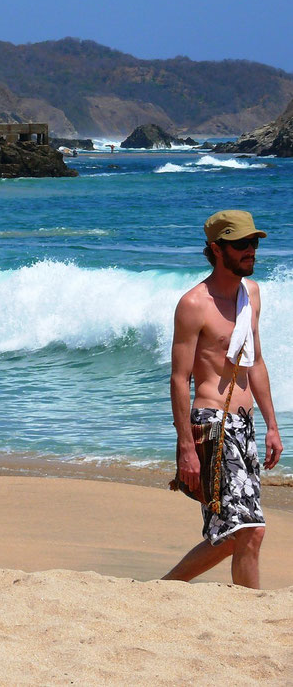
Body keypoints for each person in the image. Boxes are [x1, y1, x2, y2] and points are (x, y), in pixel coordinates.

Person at [163, 210, 283, 588]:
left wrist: (272, 427)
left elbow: (256, 361)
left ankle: (242, 611)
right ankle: (165, 588)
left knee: (246, 531)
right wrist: (185, 446)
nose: (251, 251)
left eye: (254, 243)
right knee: (243, 530)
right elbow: (179, 378)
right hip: (212, 423)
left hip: (244, 425)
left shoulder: (252, 294)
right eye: (241, 245)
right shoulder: (194, 304)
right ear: (217, 249)